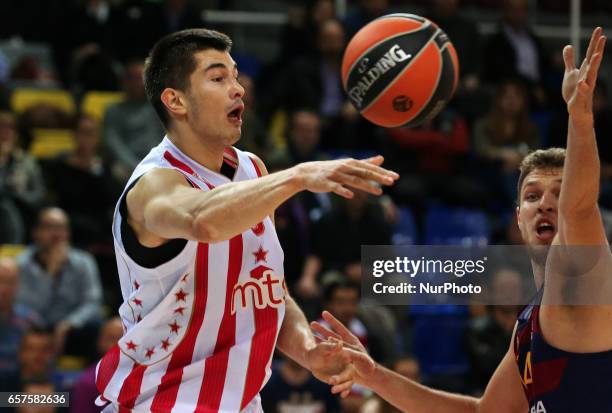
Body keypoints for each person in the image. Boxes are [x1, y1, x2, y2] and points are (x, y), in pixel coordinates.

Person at [94, 28, 398, 412]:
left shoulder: (252, 170)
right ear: (175, 100)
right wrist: (298, 175)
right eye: (218, 78)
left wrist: (306, 350)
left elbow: (267, 290)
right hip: (164, 403)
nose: (238, 89)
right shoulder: (153, 185)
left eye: (236, 76)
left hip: (243, 403)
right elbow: (203, 221)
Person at [314, 28, 612, 412]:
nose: (547, 205)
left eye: (558, 193)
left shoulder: (584, 277)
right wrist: (374, 375)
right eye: (533, 196)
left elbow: (579, 208)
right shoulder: (528, 324)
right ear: (517, 218)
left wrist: (580, 119)